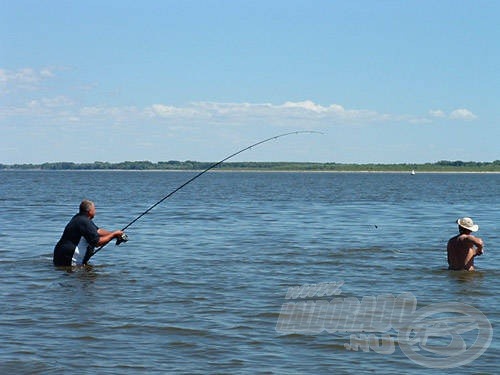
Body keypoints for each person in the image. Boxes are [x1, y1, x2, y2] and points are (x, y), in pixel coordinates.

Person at [53, 200, 124, 267]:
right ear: (89, 211)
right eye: (94, 209)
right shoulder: (84, 222)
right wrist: (113, 234)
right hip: (70, 260)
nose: (95, 211)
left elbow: (97, 231)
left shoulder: (79, 218)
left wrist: (116, 234)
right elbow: (97, 242)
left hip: (60, 257)